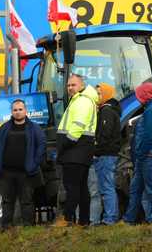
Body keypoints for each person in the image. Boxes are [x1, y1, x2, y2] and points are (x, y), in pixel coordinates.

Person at [0, 99, 46, 229]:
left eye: (20, 109)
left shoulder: (34, 128)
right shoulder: (5, 128)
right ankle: (7, 227)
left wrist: (34, 164)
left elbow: (41, 146)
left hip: (26, 172)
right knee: (7, 201)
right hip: (6, 172)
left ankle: (28, 227)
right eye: (15, 110)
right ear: (12, 112)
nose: (18, 112)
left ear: (25, 111)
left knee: (26, 201)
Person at [54, 74, 98, 227]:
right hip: (81, 151)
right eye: (68, 85)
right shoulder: (81, 100)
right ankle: (83, 221)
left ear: (81, 85)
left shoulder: (83, 101)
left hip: (75, 150)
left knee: (72, 186)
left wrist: (66, 143)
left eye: (73, 85)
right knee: (81, 187)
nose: (70, 88)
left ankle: (67, 219)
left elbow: (78, 125)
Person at [123, 82, 152, 224]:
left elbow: (148, 136)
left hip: (149, 157)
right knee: (136, 190)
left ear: (143, 96)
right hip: (149, 157)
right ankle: (129, 220)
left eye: (139, 96)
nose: (137, 99)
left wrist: (140, 154)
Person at [90, 82, 121, 226]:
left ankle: (110, 218)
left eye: (99, 93)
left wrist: (96, 150)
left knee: (106, 186)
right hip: (108, 154)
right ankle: (111, 216)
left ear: (106, 94)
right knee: (107, 186)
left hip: (106, 155)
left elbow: (105, 135)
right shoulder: (109, 110)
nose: (97, 96)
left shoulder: (106, 111)